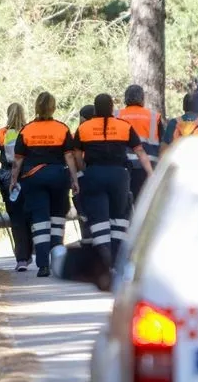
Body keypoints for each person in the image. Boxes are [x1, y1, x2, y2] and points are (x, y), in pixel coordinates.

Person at [75, 93, 152, 270]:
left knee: (99, 217)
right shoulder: (124, 126)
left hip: (94, 174)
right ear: (112, 108)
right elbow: (139, 151)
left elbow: (77, 154)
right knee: (119, 216)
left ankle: (104, 258)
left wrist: (83, 170)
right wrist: (151, 173)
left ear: (95, 109)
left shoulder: (84, 128)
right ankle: (118, 260)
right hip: (119, 175)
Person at [10, 92, 81, 277]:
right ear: (53, 108)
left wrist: (13, 180)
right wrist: (74, 179)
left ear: (36, 108)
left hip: (34, 178)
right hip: (58, 176)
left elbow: (18, 159)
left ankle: (43, 265)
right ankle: (57, 260)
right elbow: (69, 156)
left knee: (40, 221)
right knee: (57, 219)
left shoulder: (26, 130)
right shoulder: (62, 128)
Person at [0, 103, 34, 272]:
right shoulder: (29, 130)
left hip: (8, 178)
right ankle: (31, 251)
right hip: (28, 175)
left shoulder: (2, 133)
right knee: (30, 215)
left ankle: (21, 258)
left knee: (16, 218)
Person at [117, 84, 164, 204]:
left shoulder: (116, 115)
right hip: (147, 167)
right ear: (142, 99)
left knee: (122, 205)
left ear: (125, 98)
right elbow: (163, 144)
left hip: (122, 167)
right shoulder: (154, 117)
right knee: (143, 204)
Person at [74, 104, 96, 246]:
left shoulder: (80, 131)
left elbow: (75, 155)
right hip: (97, 173)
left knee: (83, 212)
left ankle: (87, 239)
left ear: (82, 117)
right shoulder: (99, 129)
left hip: (82, 174)